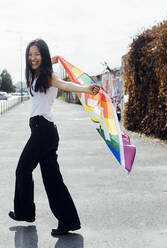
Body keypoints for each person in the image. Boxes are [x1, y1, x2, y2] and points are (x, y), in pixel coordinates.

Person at [8, 39, 100, 236]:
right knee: (52, 179)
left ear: (43, 55)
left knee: (22, 169)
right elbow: (45, 63)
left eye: (37, 54)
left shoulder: (48, 76)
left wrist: (85, 89)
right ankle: (68, 221)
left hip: (43, 130)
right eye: (30, 54)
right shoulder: (38, 73)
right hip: (44, 131)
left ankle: (25, 212)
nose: (33, 58)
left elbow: (64, 85)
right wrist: (51, 58)